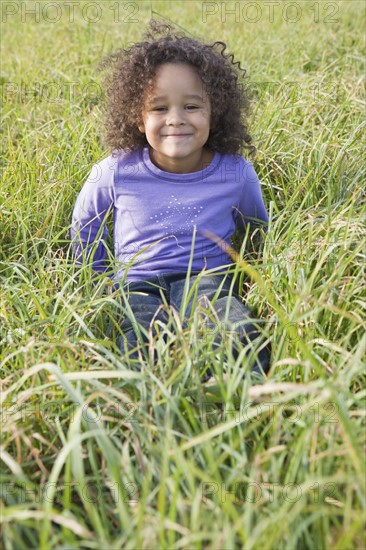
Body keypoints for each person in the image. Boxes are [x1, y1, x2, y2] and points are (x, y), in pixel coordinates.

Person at [71, 20, 271, 377]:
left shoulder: (235, 173)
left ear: (215, 111)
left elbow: (257, 231)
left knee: (231, 324)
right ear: (137, 117)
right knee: (139, 337)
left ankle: (247, 399)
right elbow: (87, 227)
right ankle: (139, 412)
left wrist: (252, 276)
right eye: (159, 109)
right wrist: (99, 281)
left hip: (207, 277)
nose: (176, 120)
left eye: (192, 107)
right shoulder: (115, 171)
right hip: (137, 282)